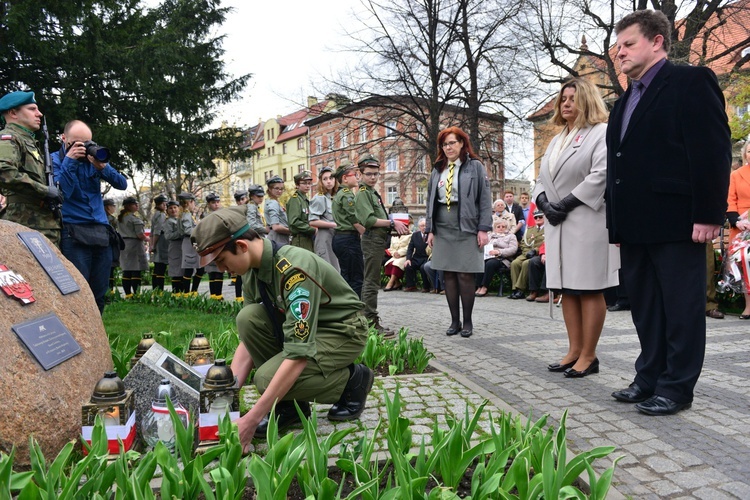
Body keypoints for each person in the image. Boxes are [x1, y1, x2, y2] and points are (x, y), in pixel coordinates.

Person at [606, 10, 731, 415]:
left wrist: (710, 213)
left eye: (628, 44)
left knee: (681, 307)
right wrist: (616, 222)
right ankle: (648, 377)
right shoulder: (624, 100)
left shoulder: (691, 82)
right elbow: (620, 163)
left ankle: (677, 387)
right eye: (617, 46)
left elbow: (712, 150)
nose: (619, 53)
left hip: (679, 220)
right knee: (645, 306)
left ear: (657, 40)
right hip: (635, 223)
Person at [190, 206, 373, 452]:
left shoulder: (294, 269)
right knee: (248, 318)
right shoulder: (252, 271)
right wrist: (224, 398)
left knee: (265, 379)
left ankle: (353, 380)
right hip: (309, 330)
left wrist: (252, 418)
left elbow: (298, 353)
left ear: (242, 246)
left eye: (222, 260)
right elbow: (250, 337)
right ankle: (289, 408)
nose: (222, 270)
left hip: (341, 331)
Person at [533, 78, 620, 378]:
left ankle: (589, 355)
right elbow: (541, 180)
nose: (566, 103)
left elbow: (601, 174)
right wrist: (545, 204)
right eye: (563, 99)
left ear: (587, 101)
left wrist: (566, 204)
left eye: (573, 98)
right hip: (558, 223)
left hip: (586, 220)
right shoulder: (557, 139)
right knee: (567, 289)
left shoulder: (601, 133)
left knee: (589, 288)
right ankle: (573, 350)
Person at [52, 119, 128, 313]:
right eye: (77, 143)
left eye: (87, 143)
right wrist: (70, 160)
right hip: (74, 233)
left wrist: (103, 167)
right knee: (78, 291)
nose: (83, 148)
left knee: (99, 292)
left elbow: (122, 184)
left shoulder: (93, 162)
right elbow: (62, 193)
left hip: (100, 233)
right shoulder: (54, 160)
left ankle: (98, 340)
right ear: (64, 138)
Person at [425, 127, 492, 338]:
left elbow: (484, 198)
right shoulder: (438, 169)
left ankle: (468, 322)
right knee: (448, 274)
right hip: (443, 226)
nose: (448, 147)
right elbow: (429, 201)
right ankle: (454, 321)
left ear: (462, 143)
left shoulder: (475, 167)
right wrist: (430, 230)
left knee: (465, 273)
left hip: (467, 225)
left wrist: (483, 228)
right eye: (445, 144)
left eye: (452, 143)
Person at [355, 155, 409, 336]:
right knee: (371, 281)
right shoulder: (363, 193)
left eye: (375, 174)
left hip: (377, 240)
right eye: (369, 174)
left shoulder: (371, 192)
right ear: (360, 174)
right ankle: (370, 322)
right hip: (372, 240)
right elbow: (368, 220)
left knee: (372, 280)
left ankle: (369, 319)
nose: (373, 177)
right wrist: (392, 223)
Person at [0, 91, 62, 245]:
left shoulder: (29, 142)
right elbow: (4, 172)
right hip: (24, 223)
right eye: (32, 109)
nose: (39, 114)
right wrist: (44, 190)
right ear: (13, 113)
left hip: (41, 223)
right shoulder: (9, 138)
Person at [332, 162, 365, 296]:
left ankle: (346, 307)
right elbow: (354, 217)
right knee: (356, 278)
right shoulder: (347, 195)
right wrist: (365, 232)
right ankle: (354, 310)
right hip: (348, 239)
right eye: (355, 174)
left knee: (347, 276)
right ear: (345, 178)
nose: (357, 177)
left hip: (341, 238)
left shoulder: (339, 194)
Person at [726, 140, 750, 318]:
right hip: (742, 226)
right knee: (745, 263)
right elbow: (729, 200)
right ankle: (748, 306)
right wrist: (736, 221)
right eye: (749, 151)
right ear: (744, 154)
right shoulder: (736, 175)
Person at [475, 218, 517, 297]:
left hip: (503, 259)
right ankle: (479, 286)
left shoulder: (511, 236)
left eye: (503, 227)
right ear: (495, 228)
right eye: (498, 227)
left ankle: (485, 287)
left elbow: (513, 249)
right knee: (480, 262)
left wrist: (499, 252)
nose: (501, 228)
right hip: (488, 257)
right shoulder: (490, 235)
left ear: (506, 228)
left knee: (490, 263)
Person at [309, 166, 340, 271]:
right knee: (328, 271)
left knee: (337, 270)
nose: (329, 181)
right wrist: (334, 225)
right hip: (324, 238)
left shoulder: (335, 197)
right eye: (325, 179)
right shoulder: (319, 198)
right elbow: (313, 221)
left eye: (331, 178)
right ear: (321, 182)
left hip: (335, 237)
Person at [117, 197, 148, 297]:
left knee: (126, 270)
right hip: (134, 245)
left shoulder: (120, 218)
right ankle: (136, 294)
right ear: (129, 206)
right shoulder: (134, 219)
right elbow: (140, 234)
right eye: (135, 204)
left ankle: (128, 294)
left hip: (123, 244)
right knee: (136, 270)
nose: (137, 206)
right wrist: (148, 240)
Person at [508, 217, 545, 299]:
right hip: (526, 253)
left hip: (538, 254)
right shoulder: (530, 229)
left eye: (540, 217)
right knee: (515, 263)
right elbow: (523, 243)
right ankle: (515, 289)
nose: (538, 219)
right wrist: (526, 252)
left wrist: (535, 251)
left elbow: (545, 244)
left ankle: (520, 290)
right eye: (535, 217)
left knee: (526, 264)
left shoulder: (548, 230)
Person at [178, 192, 204, 295]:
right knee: (189, 269)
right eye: (194, 203)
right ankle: (187, 293)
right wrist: (199, 229)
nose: (195, 205)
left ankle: (192, 291)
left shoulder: (185, 214)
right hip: (189, 242)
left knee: (198, 268)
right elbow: (188, 230)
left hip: (191, 242)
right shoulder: (186, 214)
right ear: (190, 202)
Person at [203, 193, 226, 299]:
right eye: (213, 203)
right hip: (211, 246)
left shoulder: (223, 214)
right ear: (208, 204)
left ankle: (219, 295)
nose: (216, 204)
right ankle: (214, 296)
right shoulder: (206, 217)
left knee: (219, 271)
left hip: (221, 246)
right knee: (212, 272)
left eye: (217, 202)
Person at [287, 170, 316, 251]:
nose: (307, 186)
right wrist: (312, 229)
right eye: (304, 183)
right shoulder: (295, 200)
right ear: (297, 185)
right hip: (300, 239)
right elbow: (294, 221)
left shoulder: (305, 199)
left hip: (308, 238)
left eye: (309, 183)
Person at [403, 217, 432, 292]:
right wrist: (408, 259)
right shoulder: (415, 235)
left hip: (427, 258)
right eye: (422, 226)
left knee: (423, 268)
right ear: (419, 227)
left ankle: (426, 287)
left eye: (426, 225)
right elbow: (410, 248)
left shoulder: (431, 236)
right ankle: (411, 285)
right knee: (408, 265)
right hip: (417, 258)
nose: (424, 227)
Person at [163, 200, 185, 294]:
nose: (173, 210)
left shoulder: (181, 219)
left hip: (183, 248)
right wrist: (181, 232)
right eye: (170, 208)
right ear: (167, 210)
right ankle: (176, 294)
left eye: (175, 207)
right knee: (176, 272)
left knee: (184, 272)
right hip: (175, 248)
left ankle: (183, 293)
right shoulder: (169, 222)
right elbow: (168, 236)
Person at [149, 194, 169, 292]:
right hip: (161, 242)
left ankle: (155, 290)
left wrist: (151, 244)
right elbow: (157, 231)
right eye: (163, 203)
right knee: (160, 267)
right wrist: (153, 244)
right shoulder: (161, 215)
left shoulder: (156, 214)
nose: (165, 205)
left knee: (157, 267)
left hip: (157, 242)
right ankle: (159, 291)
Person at [383, 223, 411, 291]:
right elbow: (391, 248)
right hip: (395, 256)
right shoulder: (394, 236)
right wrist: (394, 253)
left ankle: (390, 283)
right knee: (388, 264)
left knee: (396, 265)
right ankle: (397, 283)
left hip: (405, 256)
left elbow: (409, 247)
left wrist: (399, 253)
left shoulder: (410, 235)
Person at [265, 175, 291, 247]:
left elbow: (267, 227)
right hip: (278, 238)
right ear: (270, 189)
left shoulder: (271, 201)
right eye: (276, 188)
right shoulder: (273, 203)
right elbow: (276, 227)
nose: (279, 191)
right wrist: (292, 231)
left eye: (281, 189)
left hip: (276, 236)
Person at [104, 198, 120, 295]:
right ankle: (110, 292)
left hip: (108, 244)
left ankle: (109, 292)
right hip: (109, 244)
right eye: (112, 206)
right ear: (107, 207)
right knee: (110, 269)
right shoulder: (110, 219)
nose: (114, 208)